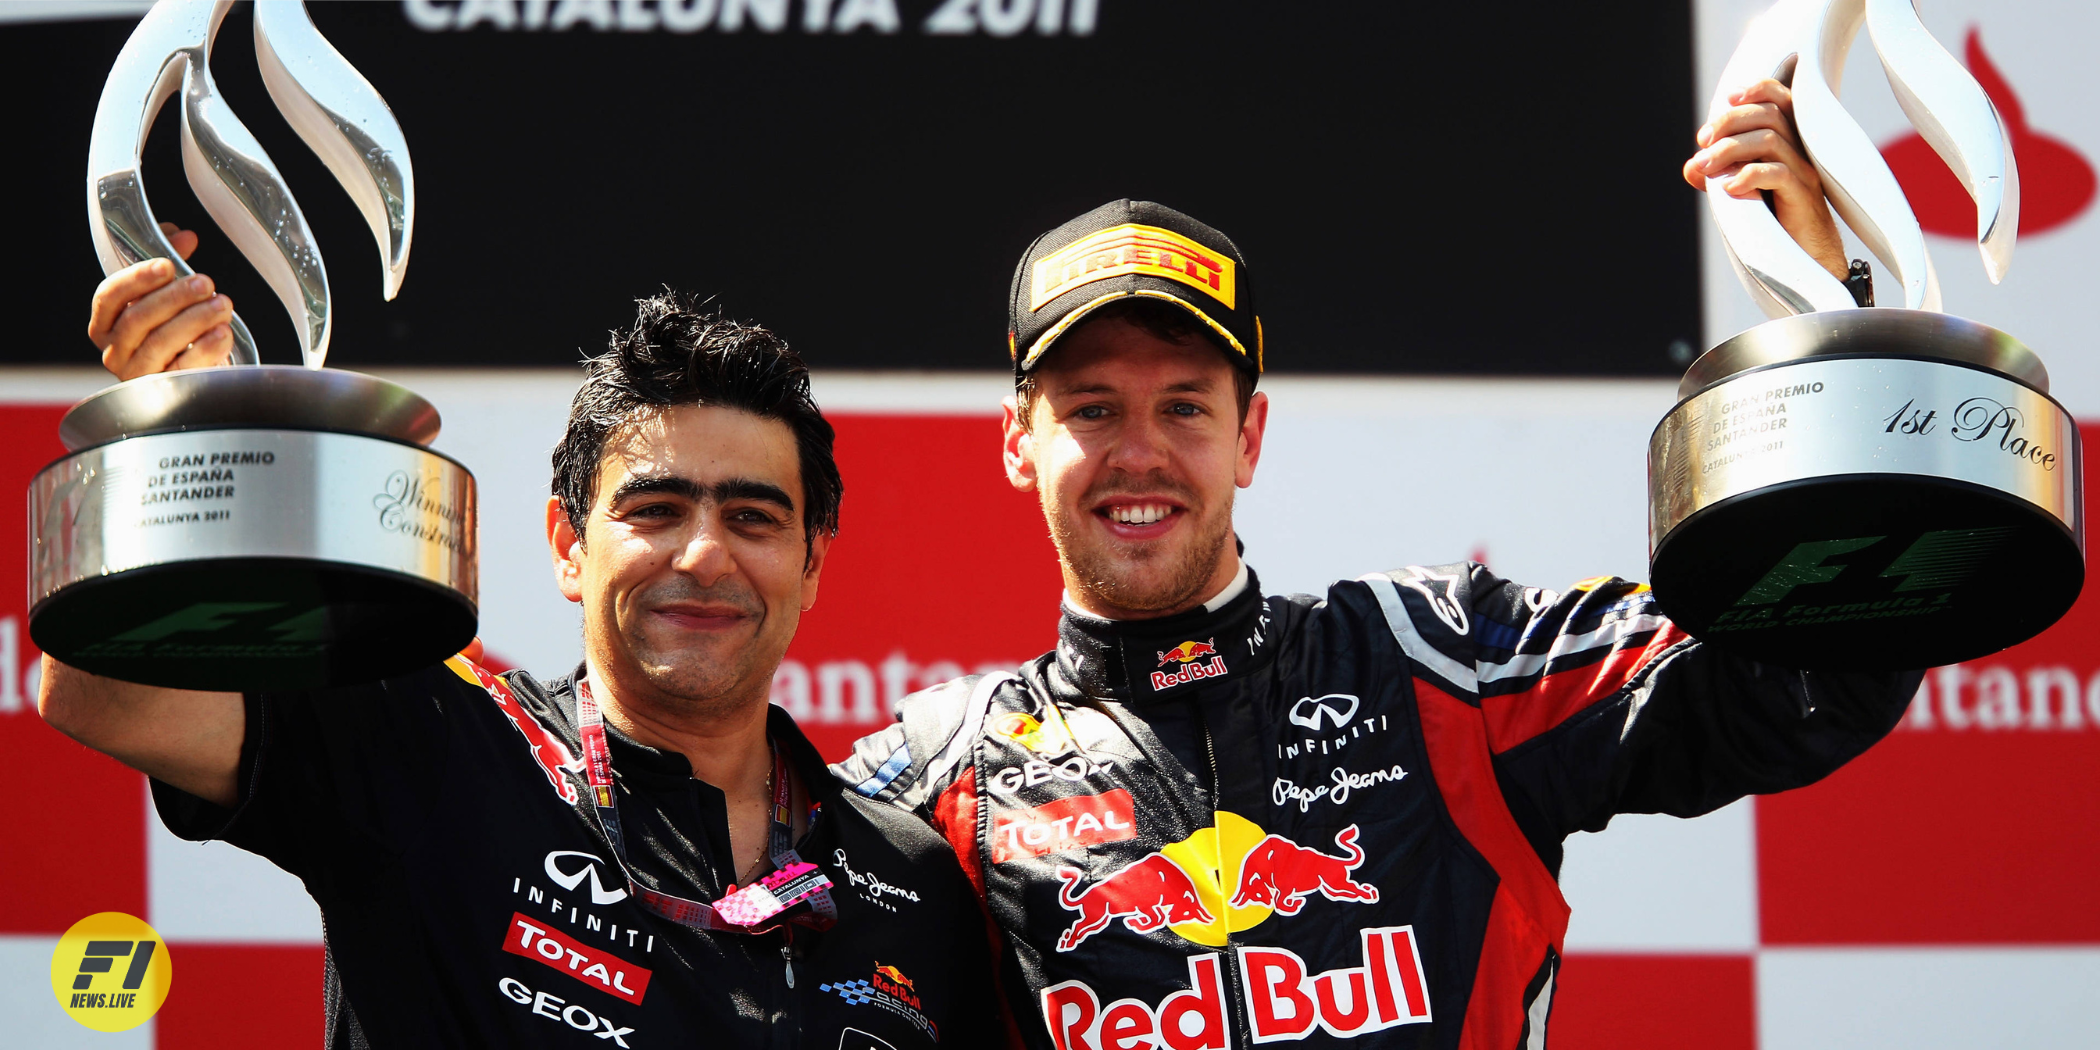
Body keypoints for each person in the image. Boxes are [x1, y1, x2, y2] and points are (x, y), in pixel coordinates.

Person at [834, 79, 1919, 1048]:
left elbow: (1807, 670)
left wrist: (1829, 317)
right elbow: (704, 905)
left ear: (1249, 438)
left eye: (1184, 407)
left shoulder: (1441, 661)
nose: (1139, 453)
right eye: (1092, 409)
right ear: (1019, 445)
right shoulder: (941, 777)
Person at [47, 287, 998, 1048]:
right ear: (567, 546)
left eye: (752, 518)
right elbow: (109, 694)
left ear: (812, 563)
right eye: (655, 510)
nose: (704, 554)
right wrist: (185, 440)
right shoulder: (431, 743)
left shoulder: (908, 875)